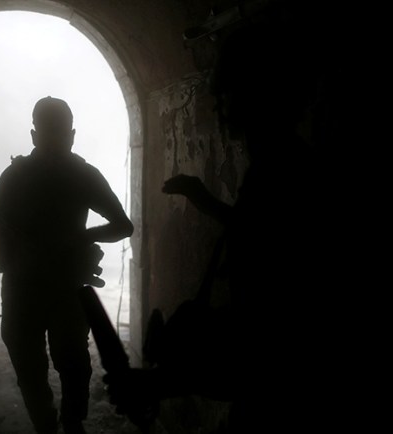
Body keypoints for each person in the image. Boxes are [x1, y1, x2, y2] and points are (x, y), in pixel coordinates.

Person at [104, 2, 335, 432]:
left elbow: (274, 340)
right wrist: (206, 201)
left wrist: (161, 384)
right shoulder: (285, 170)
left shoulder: (280, 177)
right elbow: (263, 238)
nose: (216, 104)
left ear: (256, 93)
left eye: (225, 91)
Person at [0, 96, 134, 434]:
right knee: (54, 366)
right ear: (70, 134)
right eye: (54, 133)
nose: (54, 140)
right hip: (44, 287)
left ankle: (61, 425)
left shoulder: (29, 174)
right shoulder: (72, 175)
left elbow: (124, 226)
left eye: (57, 133)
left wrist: (75, 241)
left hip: (50, 287)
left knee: (60, 367)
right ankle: (60, 425)